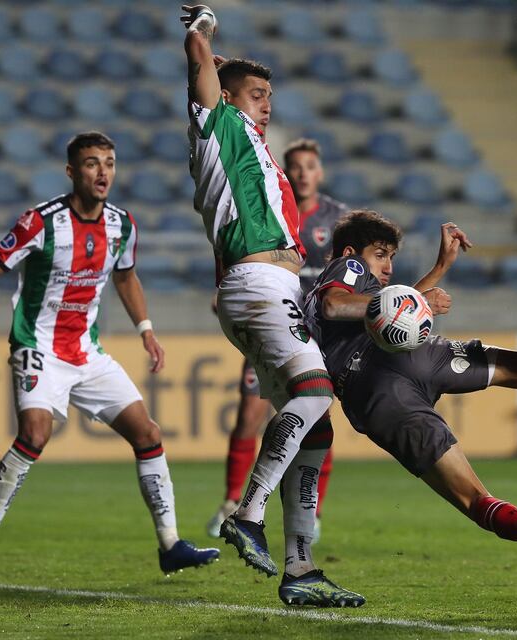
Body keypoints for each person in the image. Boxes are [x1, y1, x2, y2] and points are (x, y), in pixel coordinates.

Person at [0, 131, 219, 582]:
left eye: (110, 163)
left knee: (148, 434)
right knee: (35, 434)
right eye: (92, 163)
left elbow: (126, 277)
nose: (103, 172)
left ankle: (170, 544)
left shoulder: (122, 224)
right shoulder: (40, 222)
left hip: (86, 352)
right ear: (72, 171)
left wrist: (146, 330)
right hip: (38, 345)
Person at [303, 210, 517, 586]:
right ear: (351, 252)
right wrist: (418, 299)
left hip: (379, 390)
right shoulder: (346, 266)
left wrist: (439, 269)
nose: (388, 267)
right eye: (380, 255)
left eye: (392, 257)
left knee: (474, 499)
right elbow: (336, 304)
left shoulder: (343, 291)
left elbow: (379, 313)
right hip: (408, 359)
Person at [182, 5, 364, 607]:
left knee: (316, 427)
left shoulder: (261, 155)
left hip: (274, 289)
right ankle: (248, 513)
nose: (267, 105)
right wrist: (203, 26)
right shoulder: (219, 127)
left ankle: (301, 569)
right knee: (315, 394)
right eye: (256, 95)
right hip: (258, 284)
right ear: (228, 97)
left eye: (270, 97)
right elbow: (198, 62)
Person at [205, 138, 348, 544]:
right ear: (284, 171)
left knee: (319, 415)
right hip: (271, 323)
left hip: (314, 333)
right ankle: (231, 502)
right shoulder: (269, 209)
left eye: (310, 166)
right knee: (249, 416)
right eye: (295, 167)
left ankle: (312, 511)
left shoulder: (337, 220)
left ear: (320, 172)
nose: (303, 174)